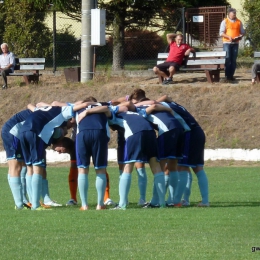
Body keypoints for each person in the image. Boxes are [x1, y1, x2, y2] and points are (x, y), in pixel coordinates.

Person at [219, 8, 245, 82]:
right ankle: (227, 76)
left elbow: (242, 31)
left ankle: (231, 76)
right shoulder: (225, 21)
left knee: (233, 60)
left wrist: (241, 36)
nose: (234, 15)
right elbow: (221, 33)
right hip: (227, 43)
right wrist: (228, 37)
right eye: (233, 13)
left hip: (235, 43)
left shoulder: (239, 22)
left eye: (235, 13)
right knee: (227, 59)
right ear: (229, 14)